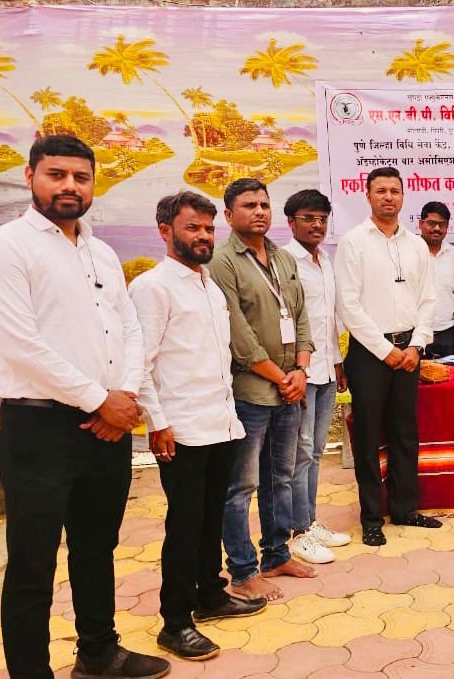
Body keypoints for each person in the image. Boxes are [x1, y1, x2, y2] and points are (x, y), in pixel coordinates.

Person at [0, 135, 170, 678]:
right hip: (39, 427)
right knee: (33, 562)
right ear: (31, 177)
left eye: (81, 177)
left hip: (107, 427)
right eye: (56, 174)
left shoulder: (100, 252)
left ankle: (99, 653)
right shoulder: (4, 248)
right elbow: (21, 345)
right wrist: (101, 400)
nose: (69, 186)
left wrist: (123, 397)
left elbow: (128, 328)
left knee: (96, 547)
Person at [131, 191, 267, 662]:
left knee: (211, 519)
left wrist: (230, 418)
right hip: (181, 429)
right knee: (185, 526)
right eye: (193, 227)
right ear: (165, 230)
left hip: (220, 423)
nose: (204, 236)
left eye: (209, 228)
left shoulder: (209, 286)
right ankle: (175, 623)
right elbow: (140, 363)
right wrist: (158, 422)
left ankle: (210, 594)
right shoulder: (152, 287)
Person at [209, 178, 316, 602]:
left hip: (290, 388)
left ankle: (276, 554)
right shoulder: (222, 262)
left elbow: (301, 317)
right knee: (241, 487)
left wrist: (301, 370)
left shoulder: (283, 257)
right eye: (249, 205)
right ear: (228, 214)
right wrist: (282, 377)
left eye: (264, 205)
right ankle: (242, 570)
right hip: (251, 393)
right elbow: (239, 336)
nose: (259, 211)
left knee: (281, 479)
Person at [334, 166, 442, 547]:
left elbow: (428, 299)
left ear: (403, 196)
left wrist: (416, 345)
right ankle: (370, 518)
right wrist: (386, 351)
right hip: (370, 354)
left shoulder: (415, 245)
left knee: (404, 432)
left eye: (395, 191)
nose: (388, 197)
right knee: (367, 436)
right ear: (367, 196)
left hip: (409, 351)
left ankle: (405, 508)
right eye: (381, 191)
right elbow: (348, 305)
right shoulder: (353, 243)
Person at [282, 189, 352, 565]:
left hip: (326, 368)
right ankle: (298, 532)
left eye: (322, 219)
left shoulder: (325, 259)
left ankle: (309, 521)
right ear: (291, 222)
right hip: (300, 373)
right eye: (308, 218)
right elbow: (285, 321)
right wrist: (295, 368)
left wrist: (338, 362)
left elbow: (328, 319)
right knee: (300, 452)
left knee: (316, 450)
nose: (317, 225)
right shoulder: (283, 262)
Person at [419, 201, 454, 358]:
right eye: (431, 223)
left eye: (442, 224)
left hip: (448, 333)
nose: (437, 228)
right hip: (416, 332)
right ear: (420, 224)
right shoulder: (409, 252)